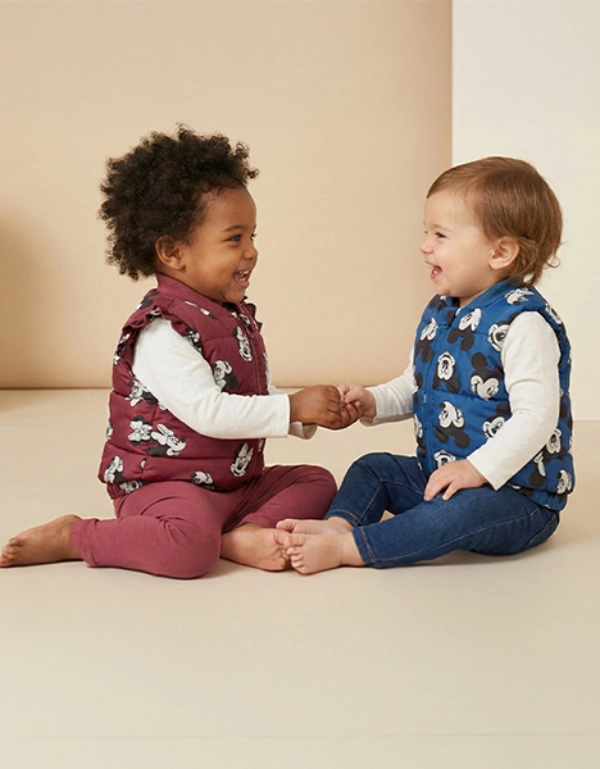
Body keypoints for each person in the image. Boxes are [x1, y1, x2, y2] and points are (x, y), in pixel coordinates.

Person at [0, 126, 355, 579]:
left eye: (253, 236)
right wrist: (293, 407)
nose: (252, 252)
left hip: (235, 481)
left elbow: (247, 397)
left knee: (316, 481)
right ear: (172, 251)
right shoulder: (162, 330)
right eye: (234, 239)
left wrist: (308, 415)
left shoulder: (230, 314)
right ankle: (75, 536)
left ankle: (242, 534)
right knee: (188, 550)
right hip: (166, 485)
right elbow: (210, 412)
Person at [277, 156, 575, 574]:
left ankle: (352, 549)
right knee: (373, 467)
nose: (425, 246)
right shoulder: (442, 310)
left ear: (500, 252)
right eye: (426, 232)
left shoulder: (524, 323)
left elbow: (537, 417)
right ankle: (339, 526)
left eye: (441, 235)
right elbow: (416, 383)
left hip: (515, 496)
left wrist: (476, 469)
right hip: (444, 474)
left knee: (454, 514)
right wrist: (372, 401)